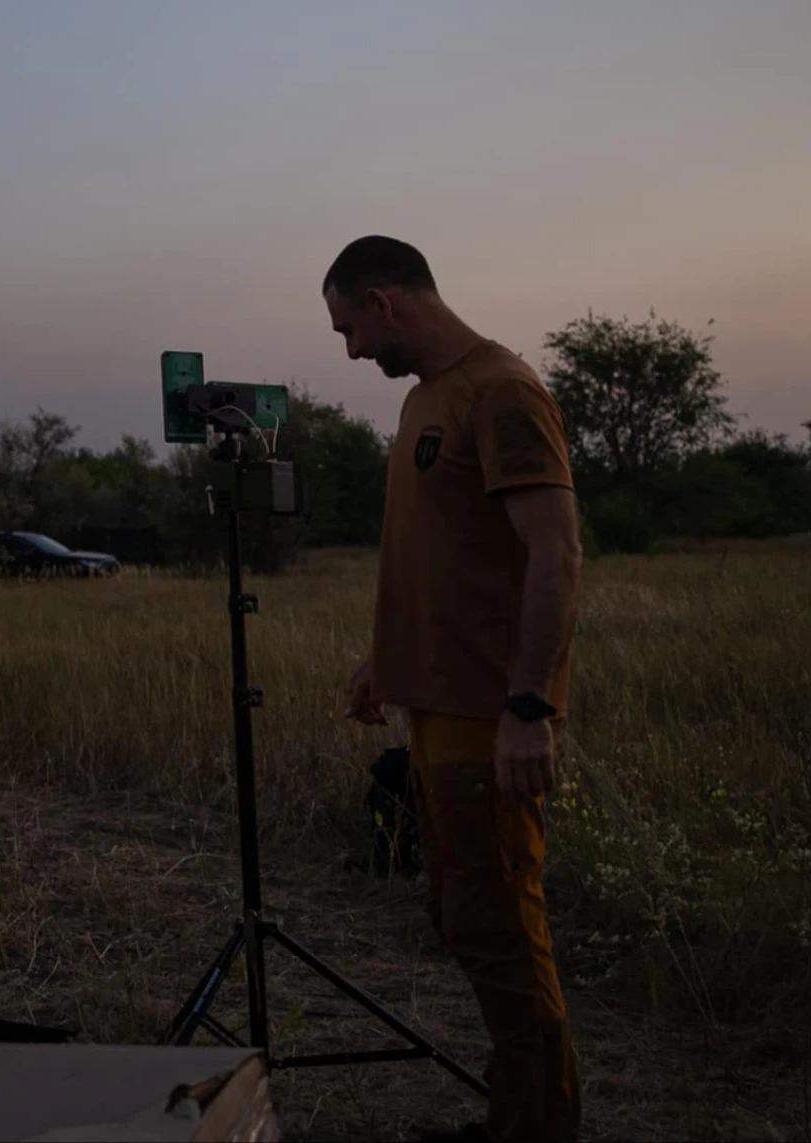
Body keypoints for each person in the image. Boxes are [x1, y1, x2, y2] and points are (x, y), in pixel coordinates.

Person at [324, 237, 583, 1143]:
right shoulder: (422, 404)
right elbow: (442, 561)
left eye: (349, 327)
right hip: (437, 716)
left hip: (490, 719)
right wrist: (382, 661)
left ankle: (540, 1126)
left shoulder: (500, 391)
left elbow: (555, 552)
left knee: (505, 927)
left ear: (385, 300)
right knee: (467, 916)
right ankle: (516, 1110)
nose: (351, 350)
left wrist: (528, 707)